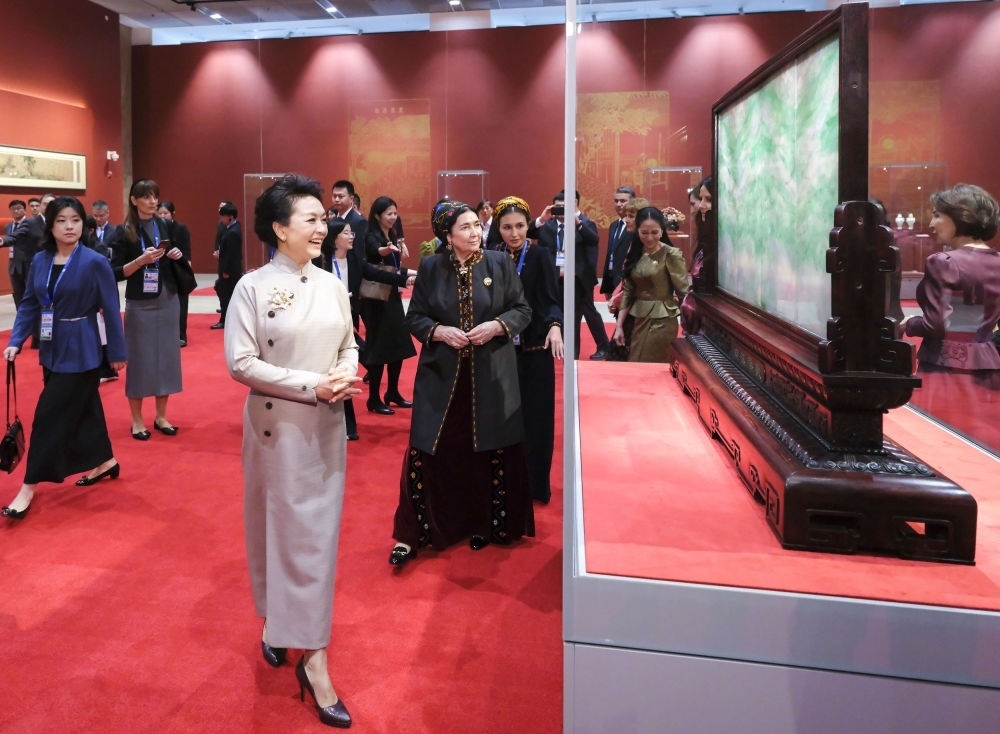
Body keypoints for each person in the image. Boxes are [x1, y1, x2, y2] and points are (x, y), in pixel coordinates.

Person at [225, 174, 360, 729]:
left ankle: (310, 649)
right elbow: (240, 362)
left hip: (326, 427)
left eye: (323, 218)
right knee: (273, 531)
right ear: (280, 229)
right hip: (276, 428)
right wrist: (313, 385)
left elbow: (349, 342)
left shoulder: (331, 282)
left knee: (316, 541)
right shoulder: (252, 287)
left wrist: (345, 372)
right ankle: (289, 635)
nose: (323, 226)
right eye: (311, 219)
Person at [389, 200, 533, 567]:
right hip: (442, 376)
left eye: (475, 225)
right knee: (431, 448)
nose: (474, 233)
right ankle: (416, 531)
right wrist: (439, 332)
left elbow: (522, 309)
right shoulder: (432, 267)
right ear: (448, 236)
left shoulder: (499, 263)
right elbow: (415, 317)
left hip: (491, 375)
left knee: (486, 449)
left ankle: (484, 524)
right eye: (465, 227)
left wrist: (497, 326)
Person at [1, 196, 126, 520]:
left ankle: (28, 486)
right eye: (61, 220)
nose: (69, 226)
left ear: (83, 224)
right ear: (51, 225)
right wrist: (16, 340)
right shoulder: (40, 260)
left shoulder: (94, 262)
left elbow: (111, 308)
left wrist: (116, 352)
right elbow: (30, 303)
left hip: (83, 350)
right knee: (86, 409)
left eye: (75, 220)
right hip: (50, 348)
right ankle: (106, 461)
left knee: (47, 417)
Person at [900, 183, 1000, 405]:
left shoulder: (944, 262)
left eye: (937, 215)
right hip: (989, 365)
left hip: (944, 368)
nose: (932, 223)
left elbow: (936, 325)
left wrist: (909, 324)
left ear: (962, 216)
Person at [492, 196, 564, 504]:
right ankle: (502, 484)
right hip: (498, 351)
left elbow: (551, 300)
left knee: (537, 420)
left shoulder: (540, 256)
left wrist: (555, 326)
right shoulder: (490, 257)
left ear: (528, 225)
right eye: (507, 227)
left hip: (534, 349)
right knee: (500, 420)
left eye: (520, 226)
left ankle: (535, 486)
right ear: (498, 228)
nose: (515, 233)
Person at [321, 217, 413, 440]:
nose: (351, 236)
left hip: (346, 320)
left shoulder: (354, 260)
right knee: (336, 369)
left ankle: (349, 427)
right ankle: (345, 424)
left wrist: (405, 279)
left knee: (345, 369)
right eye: (346, 233)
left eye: (351, 232)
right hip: (323, 323)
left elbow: (377, 274)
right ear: (334, 239)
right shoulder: (320, 261)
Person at [110, 179, 185, 440]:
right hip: (140, 302)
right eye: (146, 196)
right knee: (140, 360)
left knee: (167, 358)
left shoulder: (164, 225)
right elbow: (115, 271)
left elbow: (175, 254)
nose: (153, 201)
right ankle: (137, 420)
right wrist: (140, 261)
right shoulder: (123, 231)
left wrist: (175, 254)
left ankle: (161, 416)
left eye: (155, 196)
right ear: (134, 200)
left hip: (168, 297)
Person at [535, 189, 610, 360]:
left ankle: (587, 350)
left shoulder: (584, 223)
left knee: (581, 315)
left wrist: (577, 224)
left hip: (579, 280)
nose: (561, 210)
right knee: (562, 313)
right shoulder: (549, 226)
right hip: (556, 278)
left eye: (564, 206)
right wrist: (542, 219)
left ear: (574, 204)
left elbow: (593, 243)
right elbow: (535, 235)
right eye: (558, 207)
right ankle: (564, 348)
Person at [612, 206, 690, 363]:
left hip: (663, 320)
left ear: (662, 231)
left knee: (651, 365)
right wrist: (619, 326)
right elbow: (628, 291)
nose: (649, 238)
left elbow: (683, 293)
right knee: (635, 362)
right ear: (637, 231)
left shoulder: (671, 254)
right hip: (639, 319)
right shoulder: (635, 253)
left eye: (655, 232)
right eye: (644, 233)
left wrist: (690, 327)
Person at [361, 195, 416, 415]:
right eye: (389, 213)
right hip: (376, 299)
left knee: (398, 345)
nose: (393, 217)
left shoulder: (391, 234)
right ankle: (374, 398)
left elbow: (394, 266)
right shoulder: (371, 236)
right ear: (377, 215)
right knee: (378, 349)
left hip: (392, 295)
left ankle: (392, 392)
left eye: (395, 213)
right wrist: (386, 250)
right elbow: (376, 252)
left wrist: (412, 272)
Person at [157, 200, 193, 346]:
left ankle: (181, 335)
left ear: (172, 213)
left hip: (179, 268)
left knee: (181, 303)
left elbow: (187, 252)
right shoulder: (156, 228)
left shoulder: (181, 228)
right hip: (163, 269)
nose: (162, 216)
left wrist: (186, 266)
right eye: (159, 213)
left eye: (165, 213)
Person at [2, 198, 44, 308]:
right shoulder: (8, 226)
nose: (16, 211)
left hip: (27, 263)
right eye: (13, 209)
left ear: (25, 210)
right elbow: (10, 240)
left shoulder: (32, 224)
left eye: (18, 208)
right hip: (13, 264)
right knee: (17, 293)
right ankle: (20, 314)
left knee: (30, 293)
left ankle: (32, 315)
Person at [599, 186, 636, 301]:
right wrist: (607, 285)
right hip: (613, 280)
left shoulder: (637, 226)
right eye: (616, 201)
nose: (619, 204)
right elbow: (610, 255)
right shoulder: (614, 225)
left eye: (623, 201)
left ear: (632, 202)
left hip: (628, 284)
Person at [212, 201, 242, 329]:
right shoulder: (233, 228)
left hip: (229, 272)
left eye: (223, 216)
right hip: (229, 269)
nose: (221, 219)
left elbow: (231, 255)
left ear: (230, 217)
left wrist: (225, 271)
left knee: (226, 296)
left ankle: (224, 320)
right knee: (224, 293)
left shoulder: (233, 232)